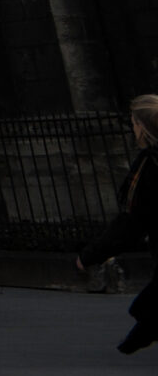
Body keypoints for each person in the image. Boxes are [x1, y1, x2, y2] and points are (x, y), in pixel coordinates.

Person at [78, 93, 158, 355]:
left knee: (149, 310)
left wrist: (91, 255)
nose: (132, 129)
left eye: (134, 123)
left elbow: (131, 222)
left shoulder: (148, 166)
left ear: (143, 127)